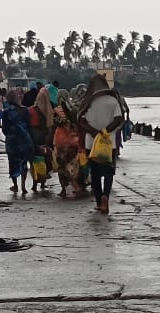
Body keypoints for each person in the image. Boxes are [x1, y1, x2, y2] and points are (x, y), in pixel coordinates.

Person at [77, 74, 126, 215]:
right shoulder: (113, 101)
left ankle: (99, 202)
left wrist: (94, 132)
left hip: (91, 144)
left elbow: (81, 121)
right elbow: (118, 119)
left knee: (95, 174)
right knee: (109, 173)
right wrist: (105, 132)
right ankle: (106, 196)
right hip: (108, 144)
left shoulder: (88, 102)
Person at [1, 90, 34, 194]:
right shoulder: (25, 110)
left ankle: (15, 186)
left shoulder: (6, 111)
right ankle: (23, 186)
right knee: (24, 163)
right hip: (24, 139)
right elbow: (29, 125)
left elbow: (4, 128)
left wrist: (9, 135)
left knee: (13, 163)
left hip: (12, 140)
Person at [51, 106, 83, 197]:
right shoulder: (74, 111)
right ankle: (75, 185)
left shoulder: (57, 112)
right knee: (72, 166)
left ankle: (64, 189)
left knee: (61, 167)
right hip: (73, 142)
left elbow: (54, 124)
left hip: (61, 142)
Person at [28, 87, 55, 192]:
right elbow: (52, 125)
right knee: (44, 159)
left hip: (33, 137)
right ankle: (43, 182)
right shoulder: (51, 110)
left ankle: (35, 183)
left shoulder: (31, 110)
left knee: (33, 160)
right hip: (46, 137)